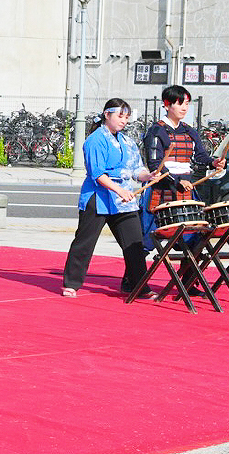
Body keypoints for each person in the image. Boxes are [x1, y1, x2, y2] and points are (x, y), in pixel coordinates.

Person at [62, 99, 161, 298]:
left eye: (126, 117)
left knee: (134, 243)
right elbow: (97, 173)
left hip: (123, 199)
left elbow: (137, 169)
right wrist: (119, 190)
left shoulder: (127, 141)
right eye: (120, 116)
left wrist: (148, 176)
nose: (124, 121)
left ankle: (138, 285)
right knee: (85, 242)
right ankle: (71, 283)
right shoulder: (95, 139)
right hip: (98, 197)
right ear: (107, 115)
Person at [142, 85, 226, 294]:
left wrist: (214, 163)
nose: (184, 107)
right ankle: (133, 280)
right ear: (168, 104)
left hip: (186, 192)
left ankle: (188, 282)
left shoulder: (189, 131)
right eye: (180, 103)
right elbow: (154, 166)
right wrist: (176, 181)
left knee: (196, 238)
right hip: (160, 193)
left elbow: (201, 158)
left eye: (187, 103)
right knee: (143, 240)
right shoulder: (156, 131)